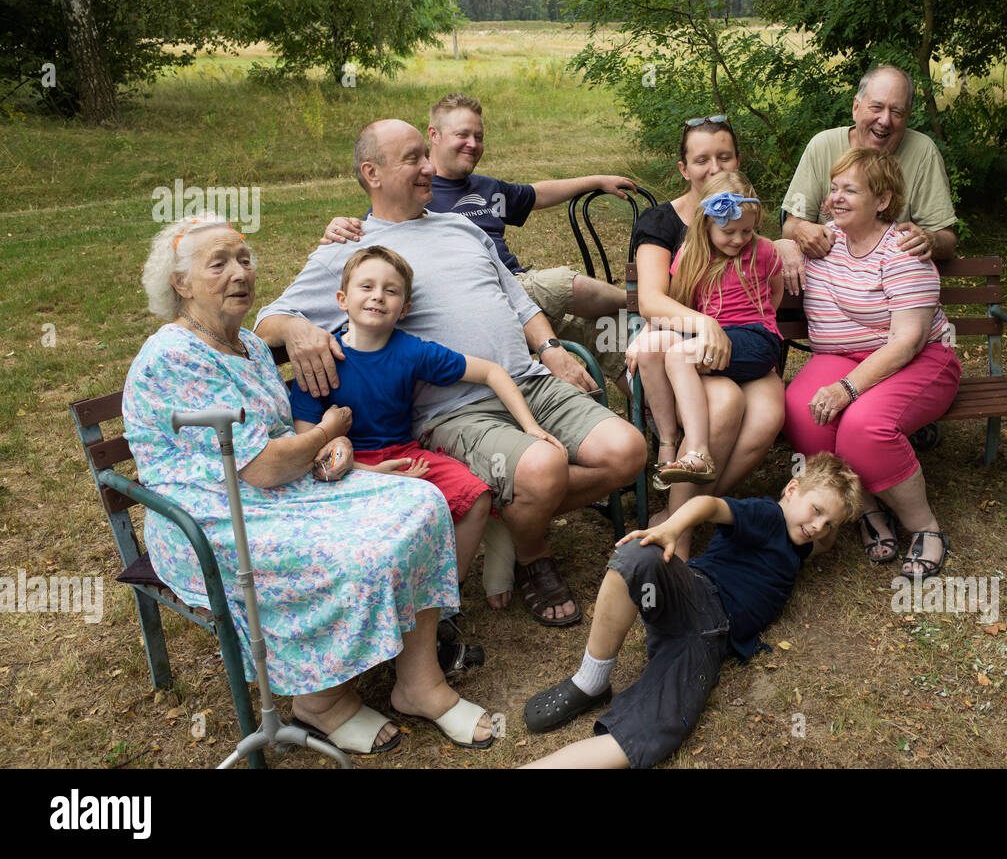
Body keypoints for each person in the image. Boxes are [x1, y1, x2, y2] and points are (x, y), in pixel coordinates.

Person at [123, 217, 494, 753]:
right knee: (352, 553)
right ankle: (320, 700)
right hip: (212, 517)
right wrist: (330, 430)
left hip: (281, 490)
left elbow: (278, 438)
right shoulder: (173, 356)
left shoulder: (247, 345)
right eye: (219, 263)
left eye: (244, 259)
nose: (239, 273)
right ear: (181, 283)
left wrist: (330, 449)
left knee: (422, 501)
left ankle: (419, 684)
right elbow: (263, 466)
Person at [256, 119, 646, 627]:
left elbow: (518, 298)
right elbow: (264, 324)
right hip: (452, 410)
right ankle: (533, 554)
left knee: (628, 452)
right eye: (413, 159)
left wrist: (550, 348)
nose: (428, 168)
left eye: (426, 155)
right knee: (540, 470)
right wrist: (297, 329)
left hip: (527, 381)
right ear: (372, 173)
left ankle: (510, 512)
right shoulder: (350, 250)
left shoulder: (460, 226)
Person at [519, 452, 864, 769]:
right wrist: (671, 527)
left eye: (829, 524)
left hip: (704, 639)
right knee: (637, 555)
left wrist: (831, 511)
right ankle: (590, 680)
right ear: (791, 489)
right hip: (695, 594)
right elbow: (709, 505)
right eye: (816, 511)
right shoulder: (768, 516)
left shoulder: (798, 543)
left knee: (651, 731)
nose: (819, 527)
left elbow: (824, 538)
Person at [288, 244, 567, 610]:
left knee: (476, 496)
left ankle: (441, 603)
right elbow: (308, 448)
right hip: (346, 467)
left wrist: (529, 425)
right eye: (366, 287)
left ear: (404, 309)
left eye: (390, 290)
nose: (377, 296)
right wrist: (370, 472)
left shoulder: (411, 351)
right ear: (342, 299)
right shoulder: (322, 363)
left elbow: (491, 371)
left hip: (405, 455)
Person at [320, 92, 636, 394]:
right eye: (462, 135)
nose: (473, 144)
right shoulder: (413, 194)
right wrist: (342, 226)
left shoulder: (487, 188)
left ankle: (650, 409)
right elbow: (380, 230)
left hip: (521, 294)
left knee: (604, 326)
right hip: (484, 293)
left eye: (479, 137)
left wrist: (596, 181)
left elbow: (536, 194)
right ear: (434, 135)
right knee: (566, 284)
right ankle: (644, 301)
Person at [782, 148, 962, 579]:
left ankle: (925, 527)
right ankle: (866, 511)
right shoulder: (823, 240)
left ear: (881, 200)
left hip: (919, 359)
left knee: (864, 427)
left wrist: (846, 389)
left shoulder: (901, 249)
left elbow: (908, 341)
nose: (835, 198)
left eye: (850, 190)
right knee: (802, 414)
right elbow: (753, 248)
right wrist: (783, 243)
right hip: (839, 357)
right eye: (833, 188)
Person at [629, 116, 801, 553]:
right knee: (723, 404)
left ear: (736, 161)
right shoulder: (670, 229)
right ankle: (682, 522)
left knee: (765, 420)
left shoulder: (749, 234)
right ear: (684, 167)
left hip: (745, 344)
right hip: (702, 344)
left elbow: (773, 294)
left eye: (722, 157)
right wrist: (695, 327)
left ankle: (682, 511)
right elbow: (660, 299)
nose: (712, 166)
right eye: (701, 159)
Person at [632, 172, 783, 489]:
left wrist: (756, 320)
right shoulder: (691, 255)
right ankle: (667, 441)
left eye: (747, 230)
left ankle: (699, 452)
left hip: (756, 337)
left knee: (679, 357)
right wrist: (645, 335)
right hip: (710, 337)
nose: (739, 239)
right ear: (706, 225)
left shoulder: (764, 251)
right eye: (729, 231)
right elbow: (674, 303)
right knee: (653, 347)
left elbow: (775, 292)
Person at [782, 65, 960, 263]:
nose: (885, 120)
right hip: (831, 282)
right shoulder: (822, 146)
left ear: (907, 117)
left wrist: (930, 240)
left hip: (894, 282)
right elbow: (790, 226)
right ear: (856, 108)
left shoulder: (923, 152)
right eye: (876, 107)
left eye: (897, 112)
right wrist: (800, 229)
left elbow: (947, 239)